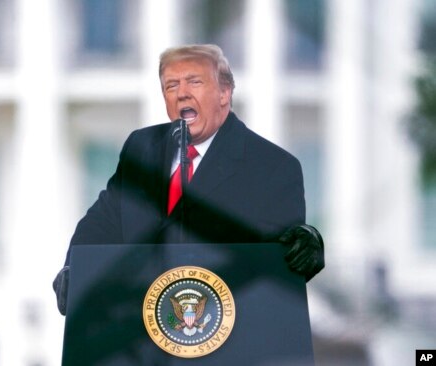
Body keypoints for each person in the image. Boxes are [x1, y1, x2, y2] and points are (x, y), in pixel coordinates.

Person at [53, 44, 324, 315]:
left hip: (224, 333)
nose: (182, 93)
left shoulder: (272, 165)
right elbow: (103, 221)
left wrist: (306, 244)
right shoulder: (142, 147)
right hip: (139, 332)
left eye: (195, 82)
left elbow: (284, 252)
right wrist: (74, 270)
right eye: (171, 86)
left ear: (224, 93)